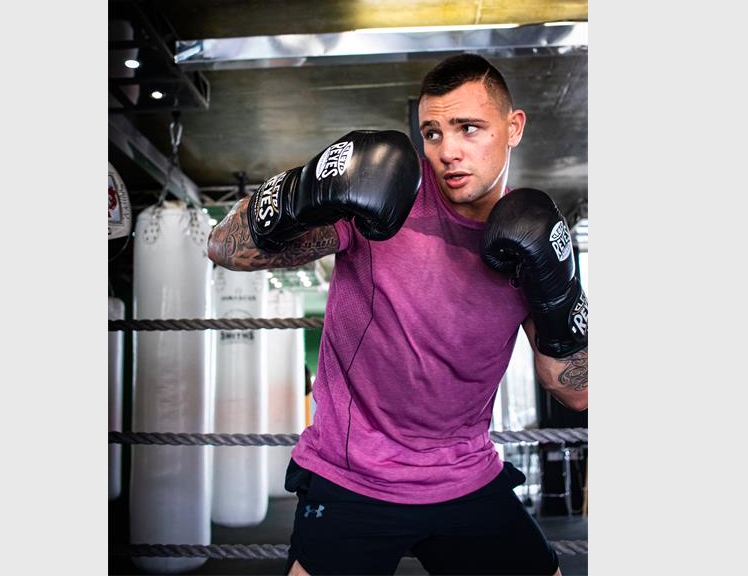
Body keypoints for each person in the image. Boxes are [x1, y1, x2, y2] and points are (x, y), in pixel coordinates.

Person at [207, 53, 588, 576]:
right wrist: (304, 187)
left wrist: (558, 294)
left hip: (466, 476)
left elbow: (576, 391)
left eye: (469, 128)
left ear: (513, 127)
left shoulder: (530, 234)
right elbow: (224, 248)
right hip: (354, 477)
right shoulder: (387, 194)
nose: (448, 152)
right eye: (432, 133)